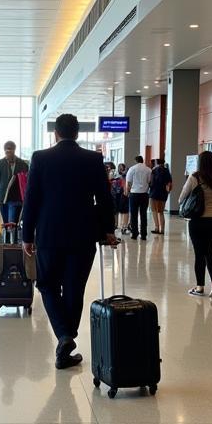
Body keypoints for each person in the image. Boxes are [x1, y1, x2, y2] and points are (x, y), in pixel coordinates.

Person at [21, 113, 118, 369]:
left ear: (56, 133)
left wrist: (26, 235)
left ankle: (64, 336)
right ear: (77, 133)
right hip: (83, 233)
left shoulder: (41, 158)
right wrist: (108, 229)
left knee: (47, 284)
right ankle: (66, 339)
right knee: (75, 287)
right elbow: (104, 199)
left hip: (49, 233)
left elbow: (31, 199)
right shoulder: (93, 159)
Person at [178, 151, 212, 298]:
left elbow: (181, 197)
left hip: (197, 220)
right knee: (210, 253)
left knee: (199, 254)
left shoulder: (194, 177)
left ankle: (200, 287)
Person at [0, 141, 29, 227]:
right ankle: (5, 238)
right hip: (1, 198)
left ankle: (11, 238)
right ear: (4, 150)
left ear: (14, 150)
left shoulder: (23, 164)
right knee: (2, 223)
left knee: (11, 223)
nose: (9, 151)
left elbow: (26, 182)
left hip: (15, 198)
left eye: (11, 149)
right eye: (7, 149)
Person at [124, 154, 152, 240]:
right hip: (144, 194)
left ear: (135, 161)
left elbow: (128, 182)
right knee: (143, 215)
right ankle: (143, 234)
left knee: (134, 214)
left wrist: (127, 192)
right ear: (142, 160)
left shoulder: (132, 169)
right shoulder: (148, 170)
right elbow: (150, 182)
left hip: (134, 194)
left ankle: (134, 233)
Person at [149, 158, 173, 234]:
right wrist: (167, 191)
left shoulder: (154, 170)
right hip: (163, 194)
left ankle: (156, 228)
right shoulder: (167, 171)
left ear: (156, 162)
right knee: (161, 212)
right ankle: (162, 230)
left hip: (154, 193)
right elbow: (169, 183)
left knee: (154, 211)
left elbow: (151, 182)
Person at [111, 163, 129, 234]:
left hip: (122, 194)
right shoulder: (115, 175)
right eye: (120, 168)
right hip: (115, 195)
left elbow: (125, 184)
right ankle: (116, 224)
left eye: (122, 168)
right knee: (115, 211)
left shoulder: (125, 176)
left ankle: (123, 226)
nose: (121, 169)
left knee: (123, 210)